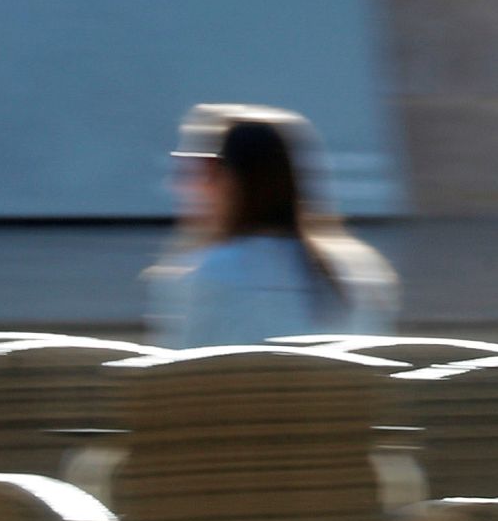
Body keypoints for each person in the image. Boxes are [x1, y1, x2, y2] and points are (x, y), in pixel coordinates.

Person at [145, 104, 398, 348]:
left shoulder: (202, 280)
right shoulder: (360, 274)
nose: (179, 185)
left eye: (199, 171)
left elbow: (180, 380)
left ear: (230, 182)